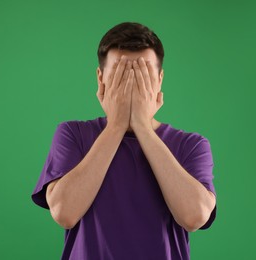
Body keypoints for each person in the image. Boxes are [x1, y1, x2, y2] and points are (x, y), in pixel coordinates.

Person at [31, 22, 217, 260]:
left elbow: (195, 216)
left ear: (159, 80)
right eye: (120, 76)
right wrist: (117, 125)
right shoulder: (73, 134)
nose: (131, 86)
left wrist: (142, 127)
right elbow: (64, 213)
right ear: (101, 79)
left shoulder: (191, 145)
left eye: (142, 76)